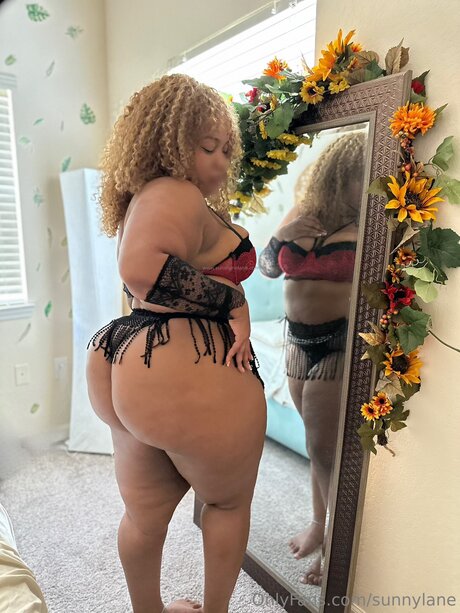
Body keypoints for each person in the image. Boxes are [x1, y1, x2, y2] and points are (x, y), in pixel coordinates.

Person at [85, 73, 267, 613]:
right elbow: (142, 270)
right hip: (179, 363)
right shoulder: (175, 191)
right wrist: (231, 301)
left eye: (226, 149)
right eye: (208, 147)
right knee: (227, 503)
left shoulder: (145, 198)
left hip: (131, 360)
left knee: (144, 517)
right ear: (166, 143)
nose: (221, 162)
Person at [258, 132, 366, 586]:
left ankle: (334, 547)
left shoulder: (372, 221)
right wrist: (281, 237)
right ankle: (318, 524)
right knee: (315, 444)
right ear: (339, 176)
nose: (368, 183)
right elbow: (267, 267)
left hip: (339, 341)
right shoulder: (306, 214)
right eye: (360, 176)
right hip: (297, 340)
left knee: (325, 449)